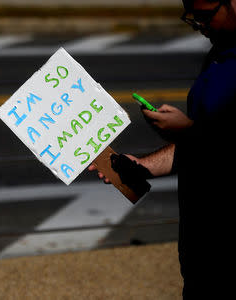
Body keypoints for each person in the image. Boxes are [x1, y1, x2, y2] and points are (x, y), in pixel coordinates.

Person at [89, 0, 236, 298]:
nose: (199, 25)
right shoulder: (220, 53)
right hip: (202, 260)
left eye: (205, 15)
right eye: (190, 17)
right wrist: (143, 166)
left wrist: (191, 133)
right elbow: (207, 143)